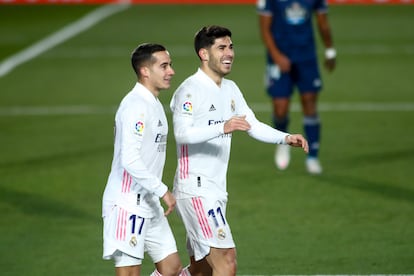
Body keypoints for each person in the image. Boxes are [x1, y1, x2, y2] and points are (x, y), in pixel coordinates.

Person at [169, 25, 309, 276]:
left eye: (231, 47)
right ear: (203, 54)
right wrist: (222, 126)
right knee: (227, 261)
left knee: (201, 270)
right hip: (196, 189)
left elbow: (251, 124)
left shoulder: (230, 89)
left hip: (215, 189)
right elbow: (182, 133)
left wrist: (286, 138)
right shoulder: (189, 90)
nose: (229, 53)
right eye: (221, 47)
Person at [102, 43, 184, 276]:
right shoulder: (136, 106)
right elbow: (129, 158)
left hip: (148, 202)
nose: (171, 71)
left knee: (172, 269)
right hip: (127, 203)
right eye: (164, 66)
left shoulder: (153, 103)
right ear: (145, 71)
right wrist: (162, 190)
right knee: (129, 272)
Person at [257, 0, 336, 174]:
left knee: (309, 104)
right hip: (279, 58)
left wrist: (330, 50)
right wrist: (277, 56)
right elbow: (264, 28)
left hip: (306, 57)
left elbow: (322, 21)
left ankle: (313, 156)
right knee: (280, 109)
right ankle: (283, 138)